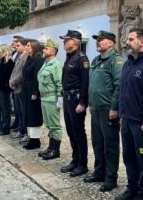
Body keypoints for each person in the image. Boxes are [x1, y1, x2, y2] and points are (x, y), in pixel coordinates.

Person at [116, 28, 143, 200]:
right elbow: (123, 91)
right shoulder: (128, 63)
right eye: (128, 39)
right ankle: (131, 188)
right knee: (128, 156)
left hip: (140, 123)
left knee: (142, 157)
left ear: (141, 42)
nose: (127, 42)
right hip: (126, 120)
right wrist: (121, 113)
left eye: (131, 39)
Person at [84, 30, 125, 192]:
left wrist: (115, 108)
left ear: (111, 43)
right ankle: (99, 171)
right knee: (97, 143)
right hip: (95, 108)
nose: (98, 42)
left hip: (108, 109)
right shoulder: (95, 60)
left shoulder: (116, 61)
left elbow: (119, 86)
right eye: (97, 39)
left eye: (101, 40)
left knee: (110, 145)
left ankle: (111, 177)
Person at [59, 30, 90, 177]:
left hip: (76, 99)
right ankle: (75, 160)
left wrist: (83, 102)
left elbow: (85, 82)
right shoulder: (69, 57)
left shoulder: (81, 58)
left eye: (67, 40)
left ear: (75, 42)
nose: (64, 42)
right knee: (71, 132)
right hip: (67, 99)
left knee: (78, 132)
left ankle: (82, 164)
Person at [37, 39, 63, 160]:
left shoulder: (56, 65)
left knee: (54, 125)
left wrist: (60, 98)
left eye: (46, 49)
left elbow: (60, 83)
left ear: (53, 52)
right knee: (48, 124)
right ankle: (50, 147)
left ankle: (55, 150)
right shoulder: (45, 63)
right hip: (44, 97)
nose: (43, 50)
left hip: (52, 98)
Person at [21, 39, 45, 149]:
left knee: (33, 115)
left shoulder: (39, 60)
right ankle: (31, 138)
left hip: (33, 89)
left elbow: (37, 76)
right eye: (26, 46)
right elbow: (24, 72)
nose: (26, 48)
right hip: (26, 88)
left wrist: (35, 92)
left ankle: (35, 140)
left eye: (28, 47)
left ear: (34, 48)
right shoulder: (29, 58)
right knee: (28, 115)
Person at [9, 38, 29, 142]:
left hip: (20, 87)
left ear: (25, 46)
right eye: (15, 46)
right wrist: (11, 81)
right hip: (15, 87)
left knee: (23, 111)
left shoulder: (26, 57)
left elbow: (22, 73)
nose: (16, 48)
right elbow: (14, 71)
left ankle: (25, 132)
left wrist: (13, 82)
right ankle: (21, 130)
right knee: (18, 111)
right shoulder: (18, 56)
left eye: (18, 46)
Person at [0, 44, 15, 135]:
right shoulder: (2, 61)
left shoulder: (9, 61)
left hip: (4, 87)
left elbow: (5, 76)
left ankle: (6, 128)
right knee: (2, 108)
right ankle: (3, 126)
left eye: (0, 51)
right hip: (0, 86)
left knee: (6, 108)